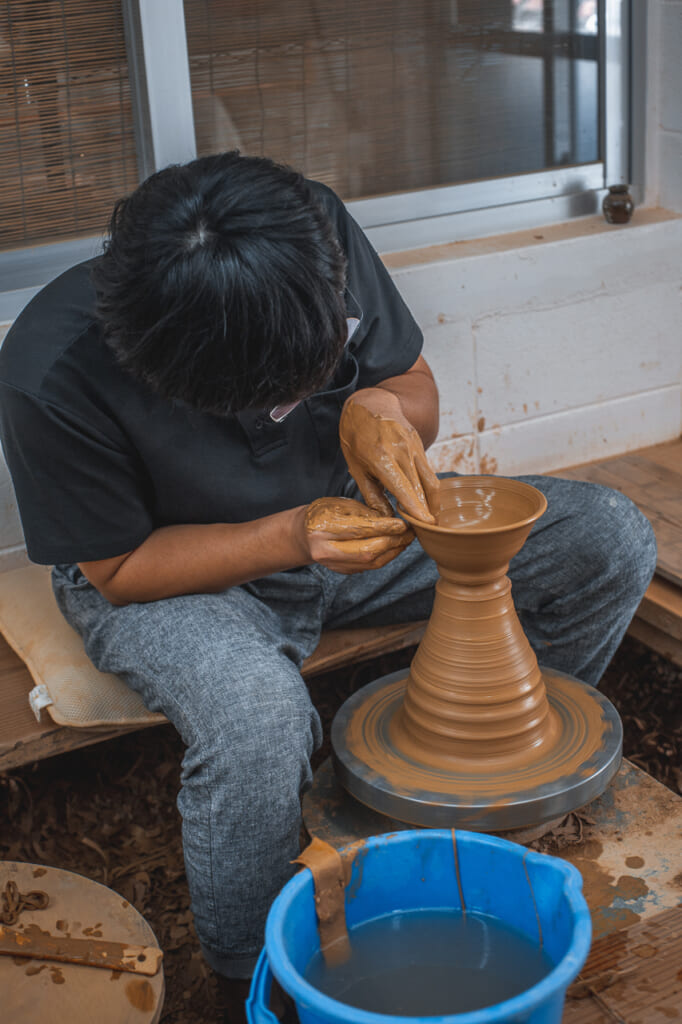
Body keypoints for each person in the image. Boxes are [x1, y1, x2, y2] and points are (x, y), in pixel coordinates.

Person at [0, 152, 656, 1022]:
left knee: (609, 538)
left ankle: (489, 783)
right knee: (256, 717)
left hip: (359, 525)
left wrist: (378, 414)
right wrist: (288, 536)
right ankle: (252, 973)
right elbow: (118, 571)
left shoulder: (309, 233)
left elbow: (410, 384)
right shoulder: (51, 366)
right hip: (182, 576)